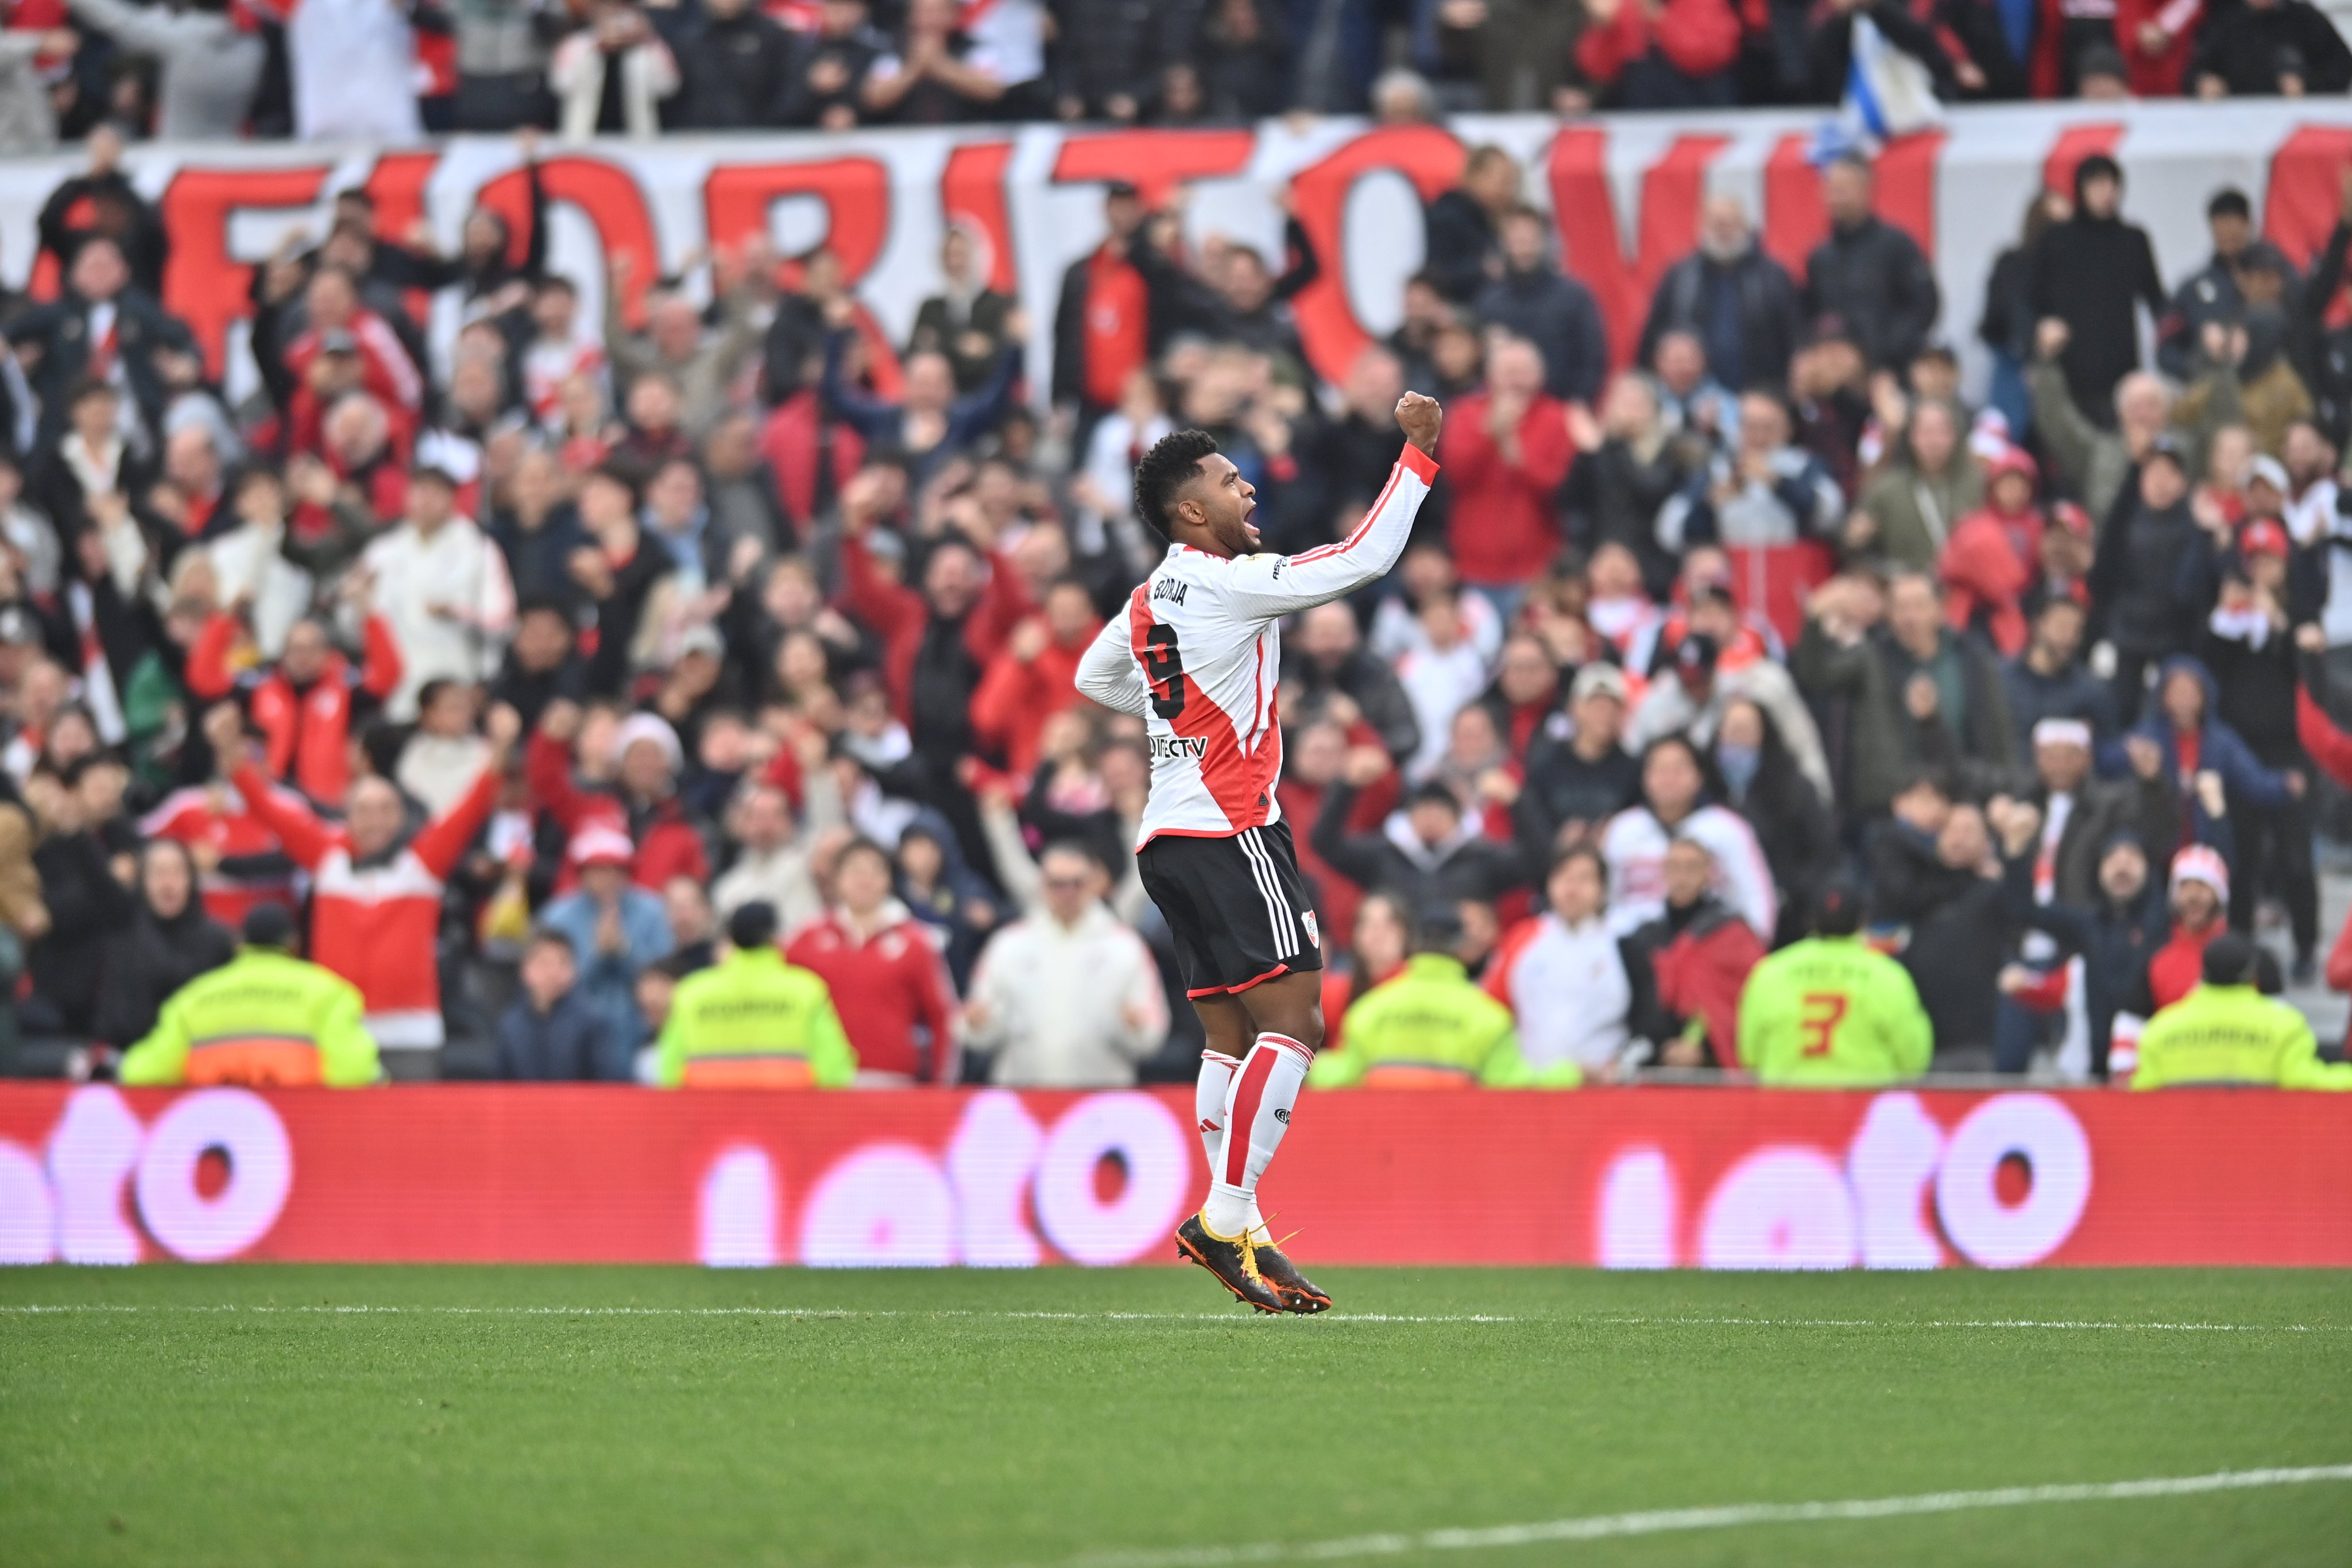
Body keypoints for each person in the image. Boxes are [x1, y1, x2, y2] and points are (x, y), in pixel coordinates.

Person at [1074, 392, 1444, 1315]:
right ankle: (1226, 1212)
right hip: (1234, 826)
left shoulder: (1148, 593)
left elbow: (1094, 676)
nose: (1249, 489)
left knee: (1229, 1037)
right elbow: (1365, 558)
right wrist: (1420, 455)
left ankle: (1245, 1224)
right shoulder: (1230, 579)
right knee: (1298, 1023)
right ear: (1192, 512)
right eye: (1230, 480)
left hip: (1167, 835)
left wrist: (1177, 719)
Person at [962, 840, 1168, 1087]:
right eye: (1057, 884)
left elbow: (1153, 1033)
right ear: (1042, 885)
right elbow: (978, 1028)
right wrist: (978, 1023)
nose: (1067, 893)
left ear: (1094, 884)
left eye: (1076, 884)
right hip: (1023, 1100)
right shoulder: (1008, 945)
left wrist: (1134, 1027)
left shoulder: (1125, 947)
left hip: (1101, 1101)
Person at [1310, 905, 1574, 1088]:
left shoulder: (1367, 1012)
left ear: (1412, 944)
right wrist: (1573, 1074)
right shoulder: (1489, 1018)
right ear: (1463, 947)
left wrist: (1301, 1066)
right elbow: (1518, 1085)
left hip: (1386, 1153)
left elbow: (1339, 1076)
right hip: (1456, 1154)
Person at [119, 904, 380, 1088]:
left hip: (221, 1141)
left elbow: (141, 1072)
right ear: (294, 944)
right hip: (303, 1135)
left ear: (241, 944)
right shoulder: (329, 994)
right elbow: (354, 1072)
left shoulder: (193, 998)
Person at [785, 836, 961, 1085]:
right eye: (855, 871)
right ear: (836, 880)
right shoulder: (805, 939)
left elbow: (942, 1016)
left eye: (874, 871)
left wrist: (941, 1086)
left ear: (888, 879)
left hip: (894, 1082)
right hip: (823, 1082)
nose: (864, 880)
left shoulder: (917, 942)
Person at [1484, 845, 1657, 1079]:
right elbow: (1491, 1013)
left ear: (1603, 889)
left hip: (1602, 1091)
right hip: (1532, 1085)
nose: (1572, 888)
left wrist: (1619, 1067)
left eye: (1585, 879)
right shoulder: (1522, 938)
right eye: (1564, 877)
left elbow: (1649, 1022)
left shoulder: (1624, 946)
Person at [1738, 882, 1933, 1087]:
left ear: (1809, 920)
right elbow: (1914, 1061)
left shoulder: (1770, 973)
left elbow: (1750, 1056)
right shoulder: (1887, 976)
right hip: (1865, 1112)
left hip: (1787, 1110)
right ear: (1863, 920)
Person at [2028, 154, 2167, 427]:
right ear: (2081, 189)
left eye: (2112, 184)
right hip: (2070, 371)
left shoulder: (2133, 240)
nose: (2107, 193)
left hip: (2121, 370)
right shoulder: (2057, 241)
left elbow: (2156, 299)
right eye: (2098, 184)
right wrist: (2041, 332)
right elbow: (2033, 300)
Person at [656, 901, 856, 1088]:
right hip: (788, 1119)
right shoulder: (806, 990)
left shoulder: (692, 993)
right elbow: (835, 1072)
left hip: (711, 1119)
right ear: (775, 936)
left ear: (730, 938)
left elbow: (668, 1073)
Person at [2129, 933, 2352, 1090]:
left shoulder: (2160, 1031)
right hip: (2258, 1148)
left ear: (2202, 975)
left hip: (2182, 1150)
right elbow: (2308, 1082)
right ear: (2254, 976)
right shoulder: (2285, 1027)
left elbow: (2139, 1093)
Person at [537, 825, 675, 1062]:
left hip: (641, 1032)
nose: (607, 878)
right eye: (598, 870)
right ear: (582, 874)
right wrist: (598, 955)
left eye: (615, 870)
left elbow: (667, 978)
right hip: (573, 1032)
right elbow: (549, 983)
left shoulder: (652, 910)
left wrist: (625, 950)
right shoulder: (558, 916)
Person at [1625, 835, 1765, 1068]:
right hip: (1652, 1065)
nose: (1682, 877)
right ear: (1663, 873)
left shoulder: (1731, 934)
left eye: (1692, 867)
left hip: (1712, 1068)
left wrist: (1702, 1047)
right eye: (1675, 867)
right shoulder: (1644, 937)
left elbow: (1748, 1000)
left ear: (1709, 874)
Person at [92, 839, 235, 1051]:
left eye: (177, 873)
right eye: (158, 874)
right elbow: (117, 1023)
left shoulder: (218, 941)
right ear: (142, 881)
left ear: (191, 880)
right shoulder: (123, 938)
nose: (168, 884)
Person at [1804, 154, 1939, 374]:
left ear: (1866, 190)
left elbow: (1924, 307)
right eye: (1831, 190)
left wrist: (1886, 350)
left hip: (1894, 371)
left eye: (1844, 190)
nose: (1836, 198)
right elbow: (1815, 315)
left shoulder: (1897, 245)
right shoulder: (1820, 257)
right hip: (1840, 379)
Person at [496, 928, 616, 1081]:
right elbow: (502, 1086)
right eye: (544, 963)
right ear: (525, 969)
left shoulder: (592, 1022)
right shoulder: (511, 1025)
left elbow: (607, 1085)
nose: (553, 973)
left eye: (563, 963)